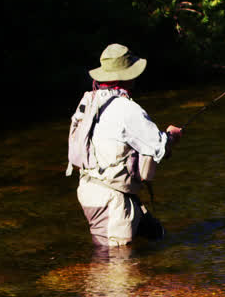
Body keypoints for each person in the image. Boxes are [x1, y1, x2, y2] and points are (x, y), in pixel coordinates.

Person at [67, 43, 183, 247]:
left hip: (91, 189)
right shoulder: (127, 109)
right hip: (111, 200)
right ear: (126, 76)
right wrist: (172, 136)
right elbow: (159, 147)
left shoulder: (89, 101)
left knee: (156, 235)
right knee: (116, 267)